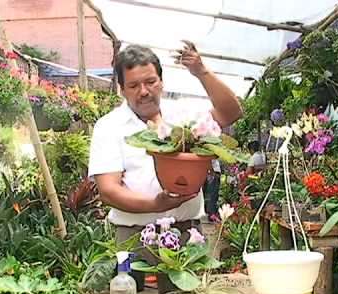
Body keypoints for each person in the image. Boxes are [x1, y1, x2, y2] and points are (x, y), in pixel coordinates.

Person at [88, 42, 242, 253]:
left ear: (161, 82)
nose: (144, 91)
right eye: (133, 86)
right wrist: (156, 204)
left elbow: (231, 112)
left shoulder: (183, 116)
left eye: (150, 81)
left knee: (191, 288)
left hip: (188, 235)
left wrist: (201, 72)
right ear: (122, 90)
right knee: (131, 287)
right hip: (134, 240)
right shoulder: (109, 127)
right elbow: (108, 191)